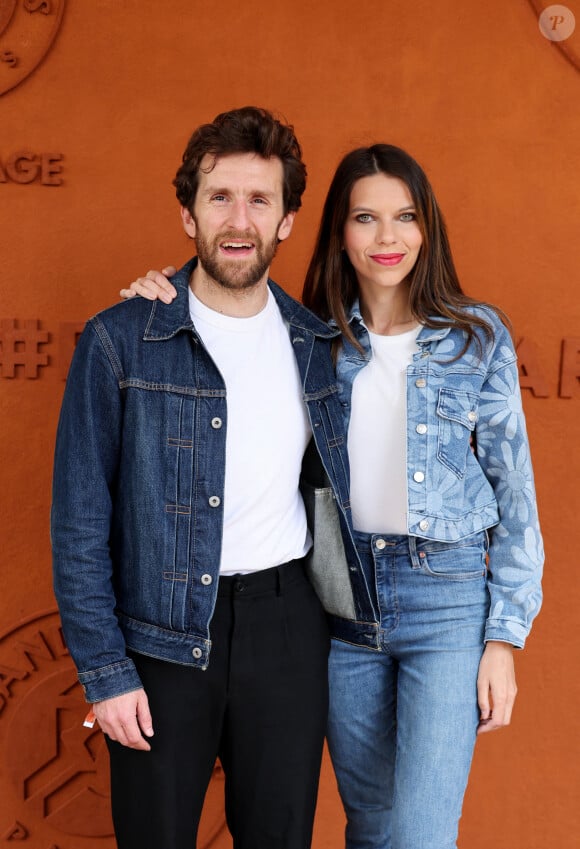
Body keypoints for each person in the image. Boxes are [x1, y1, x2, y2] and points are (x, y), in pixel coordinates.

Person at [126, 143, 543, 849]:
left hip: (447, 602)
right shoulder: (311, 338)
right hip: (342, 605)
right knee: (370, 827)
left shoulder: (476, 336)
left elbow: (516, 491)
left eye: (405, 216)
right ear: (338, 232)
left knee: (420, 834)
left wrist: (503, 636)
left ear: (427, 227)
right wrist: (161, 289)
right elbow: (223, 321)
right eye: (366, 218)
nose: (388, 237)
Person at [51, 106, 362, 849]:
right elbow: (79, 523)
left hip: (289, 629)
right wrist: (105, 671)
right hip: (159, 637)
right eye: (220, 196)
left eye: (261, 199)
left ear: (288, 219)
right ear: (186, 211)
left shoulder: (320, 346)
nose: (239, 219)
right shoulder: (120, 340)